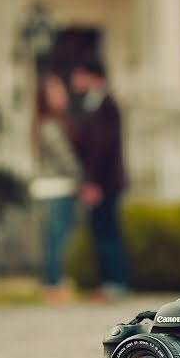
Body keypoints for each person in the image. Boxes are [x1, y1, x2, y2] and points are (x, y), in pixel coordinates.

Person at [69, 56, 129, 299]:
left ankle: (115, 284)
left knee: (107, 233)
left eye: (78, 75)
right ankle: (109, 283)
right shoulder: (91, 104)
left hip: (105, 183)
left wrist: (92, 182)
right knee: (101, 232)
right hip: (100, 182)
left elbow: (102, 147)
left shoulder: (106, 105)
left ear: (93, 77)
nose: (74, 81)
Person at [30, 72, 82, 303]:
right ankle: (54, 286)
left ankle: (54, 284)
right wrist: (83, 178)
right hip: (56, 187)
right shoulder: (50, 126)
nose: (62, 95)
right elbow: (65, 158)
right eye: (56, 92)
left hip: (54, 187)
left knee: (55, 239)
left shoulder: (50, 122)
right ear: (45, 98)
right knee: (57, 240)